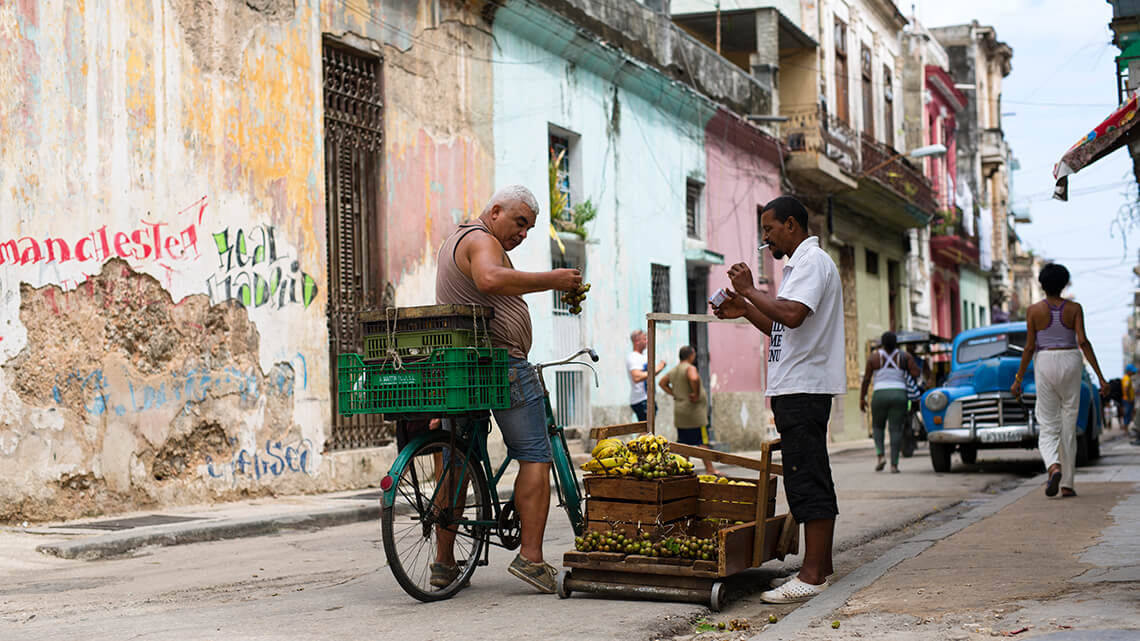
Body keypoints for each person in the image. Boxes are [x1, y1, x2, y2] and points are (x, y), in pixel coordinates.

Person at [434, 185, 582, 593]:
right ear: (495, 211)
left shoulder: (455, 239)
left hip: (461, 368)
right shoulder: (481, 239)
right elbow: (488, 278)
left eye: (530, 229)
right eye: (520, 223)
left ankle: (443, 564)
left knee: (454, 462)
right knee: (536, 455)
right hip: (501, 366)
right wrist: (552, 279)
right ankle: (531, 559)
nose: (523, 233)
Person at [711, 196, 845, 604]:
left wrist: (750, 289)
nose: (765, 238)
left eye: (769, 229)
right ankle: (818, 567)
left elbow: (791, 315)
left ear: (792, 224)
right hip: (795, 386)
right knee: (808, 473)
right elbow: (780, 326)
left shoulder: (811, 262)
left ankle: (811, 575)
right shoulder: (798, 267)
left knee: (807, 477)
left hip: (804, 387)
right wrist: (744, 307)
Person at [1010, 263, 1109, 498]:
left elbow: (1030, 347)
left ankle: (1053, 465)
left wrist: (1018, 379)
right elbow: (1083, 342)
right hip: (1071, 360)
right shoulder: (1075, 309)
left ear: (1041, 285)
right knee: (1069, 422)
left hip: (1044, 360)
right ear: (1064, 284)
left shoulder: (1034, 311)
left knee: (1046, 421)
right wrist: (1102, 378)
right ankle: (1067, 484)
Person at [859, 332, 921, 473]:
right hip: (899, 394)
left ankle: (880, 456)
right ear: (896, 343)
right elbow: (916, 373)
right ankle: (894, 464)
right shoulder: (905, 356)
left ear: (882, 343)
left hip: (880, 394)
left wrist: (862, 398)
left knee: (877, 427)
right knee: (896, 429)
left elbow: (867, 379)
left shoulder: (874, 357)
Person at [658, 345, 719, 475]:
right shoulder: (690, 368)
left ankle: (685, 470)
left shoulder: (674, 370)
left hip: (680, 413)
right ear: (691, 355)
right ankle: (710, 469)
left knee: (684, 444)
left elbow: (662, 383)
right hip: (695, 414)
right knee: (702, 442)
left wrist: (674, 393)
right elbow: (694, 378)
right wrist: (695, 393)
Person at [627, 330, 665, 422]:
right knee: (645, 431)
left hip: (647, 399)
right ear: (636, 341)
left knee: (647, 431)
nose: (647, 341)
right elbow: (636, 377)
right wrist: (658, 368)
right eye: (644, 339)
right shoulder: (633, 357)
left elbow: (648, 375)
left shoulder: (642, 356)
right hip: (641, 400)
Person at [1122, 364, 1136, 430]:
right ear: (1129, 371)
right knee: (1127, 414)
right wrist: (1129, 399)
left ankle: (1126, 428)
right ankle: (1125, 428)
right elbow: (1126, 388)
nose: (1134, 372)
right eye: (1132, 371)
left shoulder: (1127, 378)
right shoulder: (1126, 378)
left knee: (1129, 414)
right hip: (1127, 400)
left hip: (1128, 399)